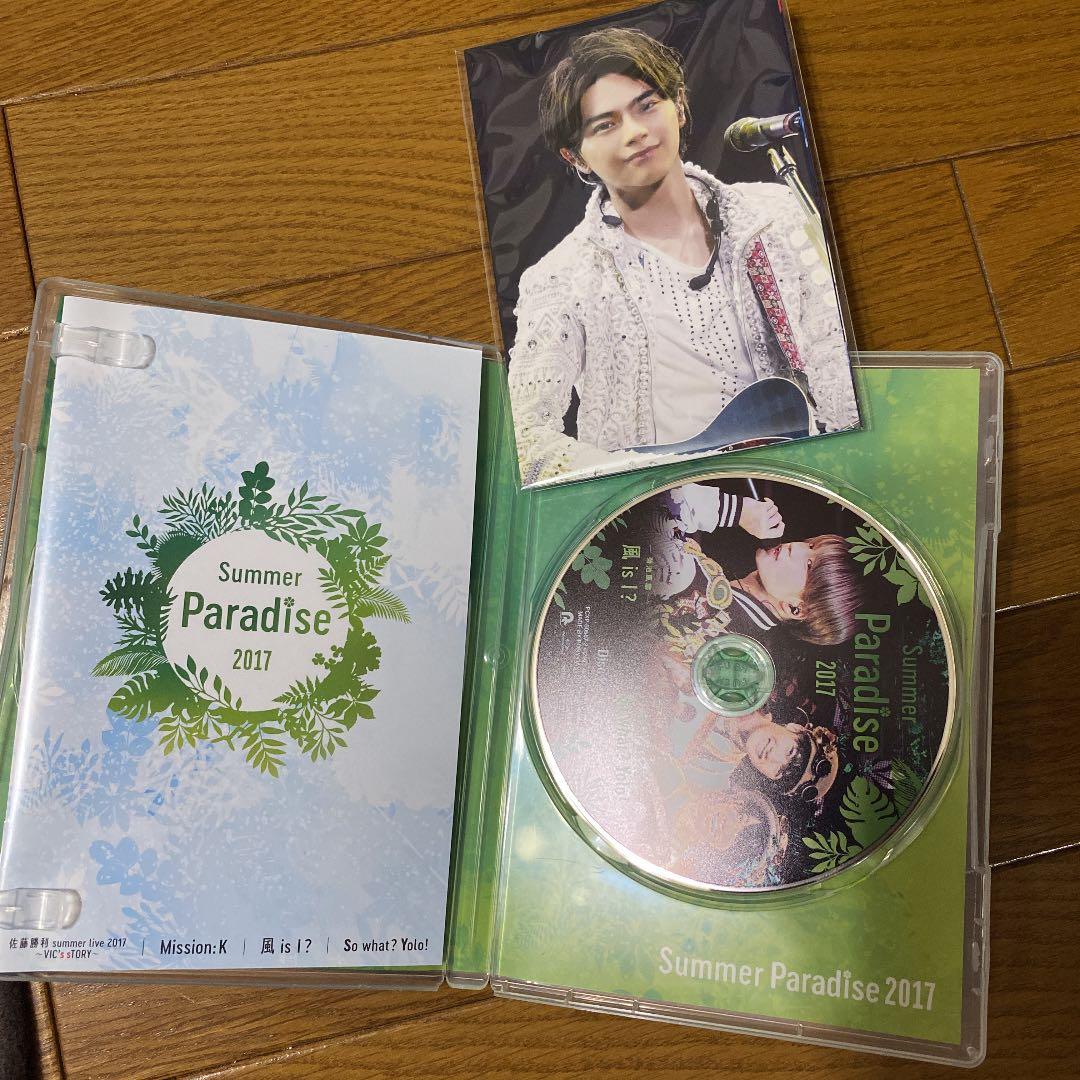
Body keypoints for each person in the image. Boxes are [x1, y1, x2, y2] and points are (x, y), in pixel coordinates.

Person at [507, 26, 858, 484]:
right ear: (576, 157)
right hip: (669, 505)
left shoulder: (773, 216)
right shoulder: (561, 278)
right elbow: (527, 440)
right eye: (606, 125)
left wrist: (852, 451)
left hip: (797, 478)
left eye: (647, 105)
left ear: (680, 105)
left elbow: (835, 355)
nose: (636, 132)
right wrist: (656, 485)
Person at [651, 483, 863, 648]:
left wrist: (736, 510)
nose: (795, 547)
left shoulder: (696, 590)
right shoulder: (740, 639)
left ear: (796, 608)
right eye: (810, 545)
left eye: (809, 565)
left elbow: (652, 499)